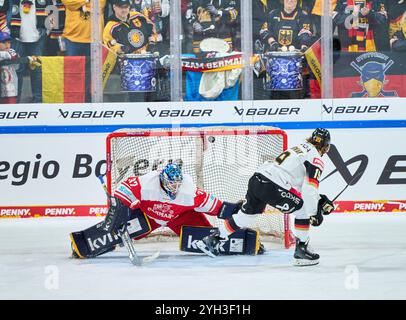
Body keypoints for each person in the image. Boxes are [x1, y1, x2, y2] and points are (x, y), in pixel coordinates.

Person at [199, 128, 335, 266]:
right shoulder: (316, 158)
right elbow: (308, 189)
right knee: (303, 212)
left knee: (246, 216)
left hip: (257, 178)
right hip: (273, 185)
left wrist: (319, 200)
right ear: (326, 146)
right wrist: (314, 213)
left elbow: (301, 186)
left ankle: (213, 239)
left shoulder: (299, 148)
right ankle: (302, 250)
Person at [70, 163, 250, 259]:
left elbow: (218, 208)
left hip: (180, 217)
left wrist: (235, 210)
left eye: (178, 183)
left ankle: (248, 243)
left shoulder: (189, 192)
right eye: (172, 183)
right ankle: (84, 244)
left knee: (206, 237)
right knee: (119, 230)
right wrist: (119, 210)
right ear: (163, 180)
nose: (175, 187)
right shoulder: (148, 183)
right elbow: (123, 190)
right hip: (149, 215)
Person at [10, 0, 51, 103]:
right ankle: (15, 101)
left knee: (37, 71)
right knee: (17, 71)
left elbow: (53, 11)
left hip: (37, 40)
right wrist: (7, 31)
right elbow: (3, 12)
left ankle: (38, 101)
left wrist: (46, 31)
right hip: (17, 39)